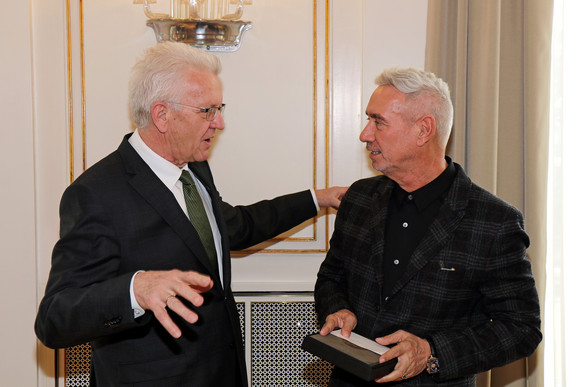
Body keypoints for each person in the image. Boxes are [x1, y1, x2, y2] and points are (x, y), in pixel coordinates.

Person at [35, 41, 346, 386]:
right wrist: (135, 290)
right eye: (207, 111)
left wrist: (316, 199)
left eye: (220, 108)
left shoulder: (194, 170)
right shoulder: (96, 194)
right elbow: (55, 319)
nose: (220, 123)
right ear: (162, 115)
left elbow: (235, 227)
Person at [314, 67, 542, 386]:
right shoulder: (359, 199)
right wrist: (337, 308)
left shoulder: (493, 221)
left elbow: (521, 329)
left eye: (378, 121)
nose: (365, 134)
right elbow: (332, 276)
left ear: (423, 130)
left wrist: (431, 353)